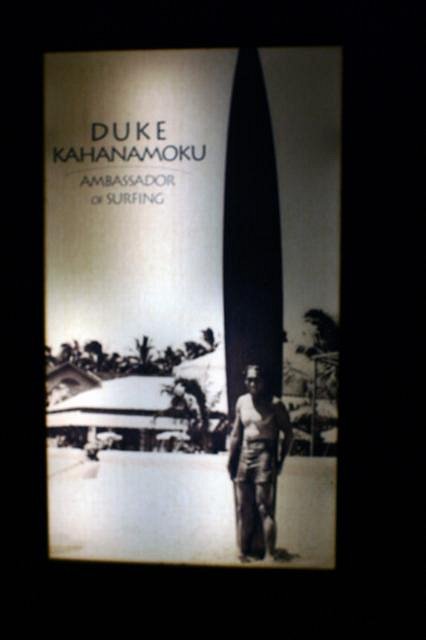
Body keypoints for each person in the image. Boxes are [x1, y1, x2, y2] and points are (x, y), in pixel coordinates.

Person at [227, 364, 293, 563]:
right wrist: (231, 459)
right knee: (243, 508)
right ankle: (241, 552)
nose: (253, 383)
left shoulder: (275, 404)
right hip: (244, 455)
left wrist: (280, 460)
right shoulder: (242, 401)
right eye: (249, 379)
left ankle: (270, 554)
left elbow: (289, 434)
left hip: (264, 455)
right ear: (245, 381)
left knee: (264, 507)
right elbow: (236, 434)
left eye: (256, 379)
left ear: (263, 381)